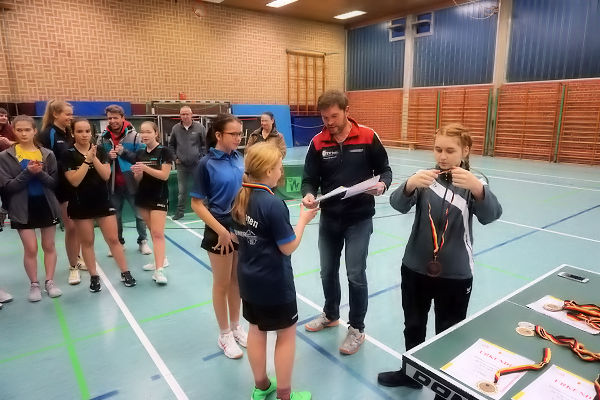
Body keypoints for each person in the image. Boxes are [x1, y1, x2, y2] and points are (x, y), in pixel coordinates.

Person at [377, 123, 502, 391]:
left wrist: (478, 189)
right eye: (437, 149)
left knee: (448, 333)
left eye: (450, 150)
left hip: (455, 274)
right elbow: (398, 205)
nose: (442, 156)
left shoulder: (474, 183)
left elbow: (491, 216)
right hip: (415, 268)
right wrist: (409, 185)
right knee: (413, 325)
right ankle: (411, 375)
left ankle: (445, 387)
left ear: (465, 151)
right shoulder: (425, 178)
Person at [301, 89, 392, 355]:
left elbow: (385, 170)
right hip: (330, 218)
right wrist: (308, 194)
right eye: (324, 117)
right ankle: (331, 314)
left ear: (346, 111)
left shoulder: (368, 136)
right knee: (327, 271)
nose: (329, 122)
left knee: (355, 273)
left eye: (334, 116)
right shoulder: (317, 143)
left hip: (359, 219)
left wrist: (383, 185)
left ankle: (357, 328)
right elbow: (309, 179)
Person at [232, 142, 317, 400]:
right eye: (279, 167)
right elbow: (288, 247)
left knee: (256, 331)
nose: (281, 172)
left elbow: (237, 237)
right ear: (269, 171)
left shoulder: (240, 195)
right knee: (286, 335)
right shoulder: (273, 204)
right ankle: (284, 395)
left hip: (248, 280)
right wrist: (303, 220)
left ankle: (261, 387)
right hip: (274, 285)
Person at [191, 113, 248, 359]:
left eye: (240, 134)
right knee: (222, 282)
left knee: (237, 280)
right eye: (233, 134)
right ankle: (224, 334)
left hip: (239, 223)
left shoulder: (238, 158)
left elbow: (244, 187)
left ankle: (236, 327)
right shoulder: (206, 164)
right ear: (218, 135)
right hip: (218, 226)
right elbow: (196, 204)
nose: (238, 138)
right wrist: (221, 231)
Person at [63, 118, 136, 292]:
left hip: (103, 202)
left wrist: (93, 157)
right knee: (87, 242)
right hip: (80, 204)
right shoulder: (68, 154)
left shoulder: (101, 150)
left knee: (113, 239)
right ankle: (94, 276)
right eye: (79, 131)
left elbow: (105, 175)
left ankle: (125, 272)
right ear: (73, 133)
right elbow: (74, 180)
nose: (84, 135)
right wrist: (86, 161)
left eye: (87, 131)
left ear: (92, 133)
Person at [0, 115, 62, 301]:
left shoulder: (47, 154)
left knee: (49, 245)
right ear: (13, 131)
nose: (23, 133)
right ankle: (34, 284)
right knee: (31, 248)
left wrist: (40, 173)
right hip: (21, 208)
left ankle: (50, 281)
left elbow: (53, 183)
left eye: (27, 130)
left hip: (46, 205)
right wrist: (28, 172)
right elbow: (8, 186)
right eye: (19, 130)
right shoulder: (5, 157)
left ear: (34, 131)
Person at [37, 100, 85, 285]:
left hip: (74, 184)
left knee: (77, 226)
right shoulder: (47, 134)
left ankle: (77, 258)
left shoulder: (68, 133)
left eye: (71, 114)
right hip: (58, 186)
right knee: (71, 226)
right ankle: (73, 267)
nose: (70, 117)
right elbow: (45, 161)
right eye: (67, 114)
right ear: (55, 114)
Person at [97, 104, 151, 255]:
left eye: (115, 117)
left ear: (122, 118)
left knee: (139, 215)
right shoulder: (102, 138)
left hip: (132, 182)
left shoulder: (135, 136)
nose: (112, 121)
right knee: (115, 217)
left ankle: (143, 242)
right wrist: (108, 157)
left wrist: (123, 152)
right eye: (109, 118)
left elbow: (141, 157)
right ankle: (119, 243)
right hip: (112, 184)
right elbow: (98, 159)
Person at [129, 121, 174, 284]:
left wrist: (145, 168)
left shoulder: (165, 151)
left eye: (148, 131)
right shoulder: (140, 153)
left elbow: (164, 176)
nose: (145, 135)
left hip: (159, 197)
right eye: (142, 132)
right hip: (143, 197)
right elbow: (138, 179)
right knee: (152, 230)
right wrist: (137, 173)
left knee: (157, 233)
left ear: (156, 133)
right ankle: (160, 260)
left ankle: (159, 270)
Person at [168, 106, 206, 220]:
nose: (185, 116)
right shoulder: (175, 128)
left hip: (197, 165)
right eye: (182, 114)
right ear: (180, 116)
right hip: (181, 166)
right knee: (182, 191)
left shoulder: (200, 127)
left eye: (187, 114)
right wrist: (175, 158)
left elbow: (205, 144)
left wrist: (201, 158)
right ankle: (180, 212)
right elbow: (171, 145)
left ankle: (205, 211)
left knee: (201, 188)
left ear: (191, 114)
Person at [0, 107, 15, 229]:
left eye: (5, 116)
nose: (4, 118)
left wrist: (9, 143)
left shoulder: (10, 129)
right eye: (1, 115)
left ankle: (3, 213)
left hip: (7, 165)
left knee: (7, 190)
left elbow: (20, 142)